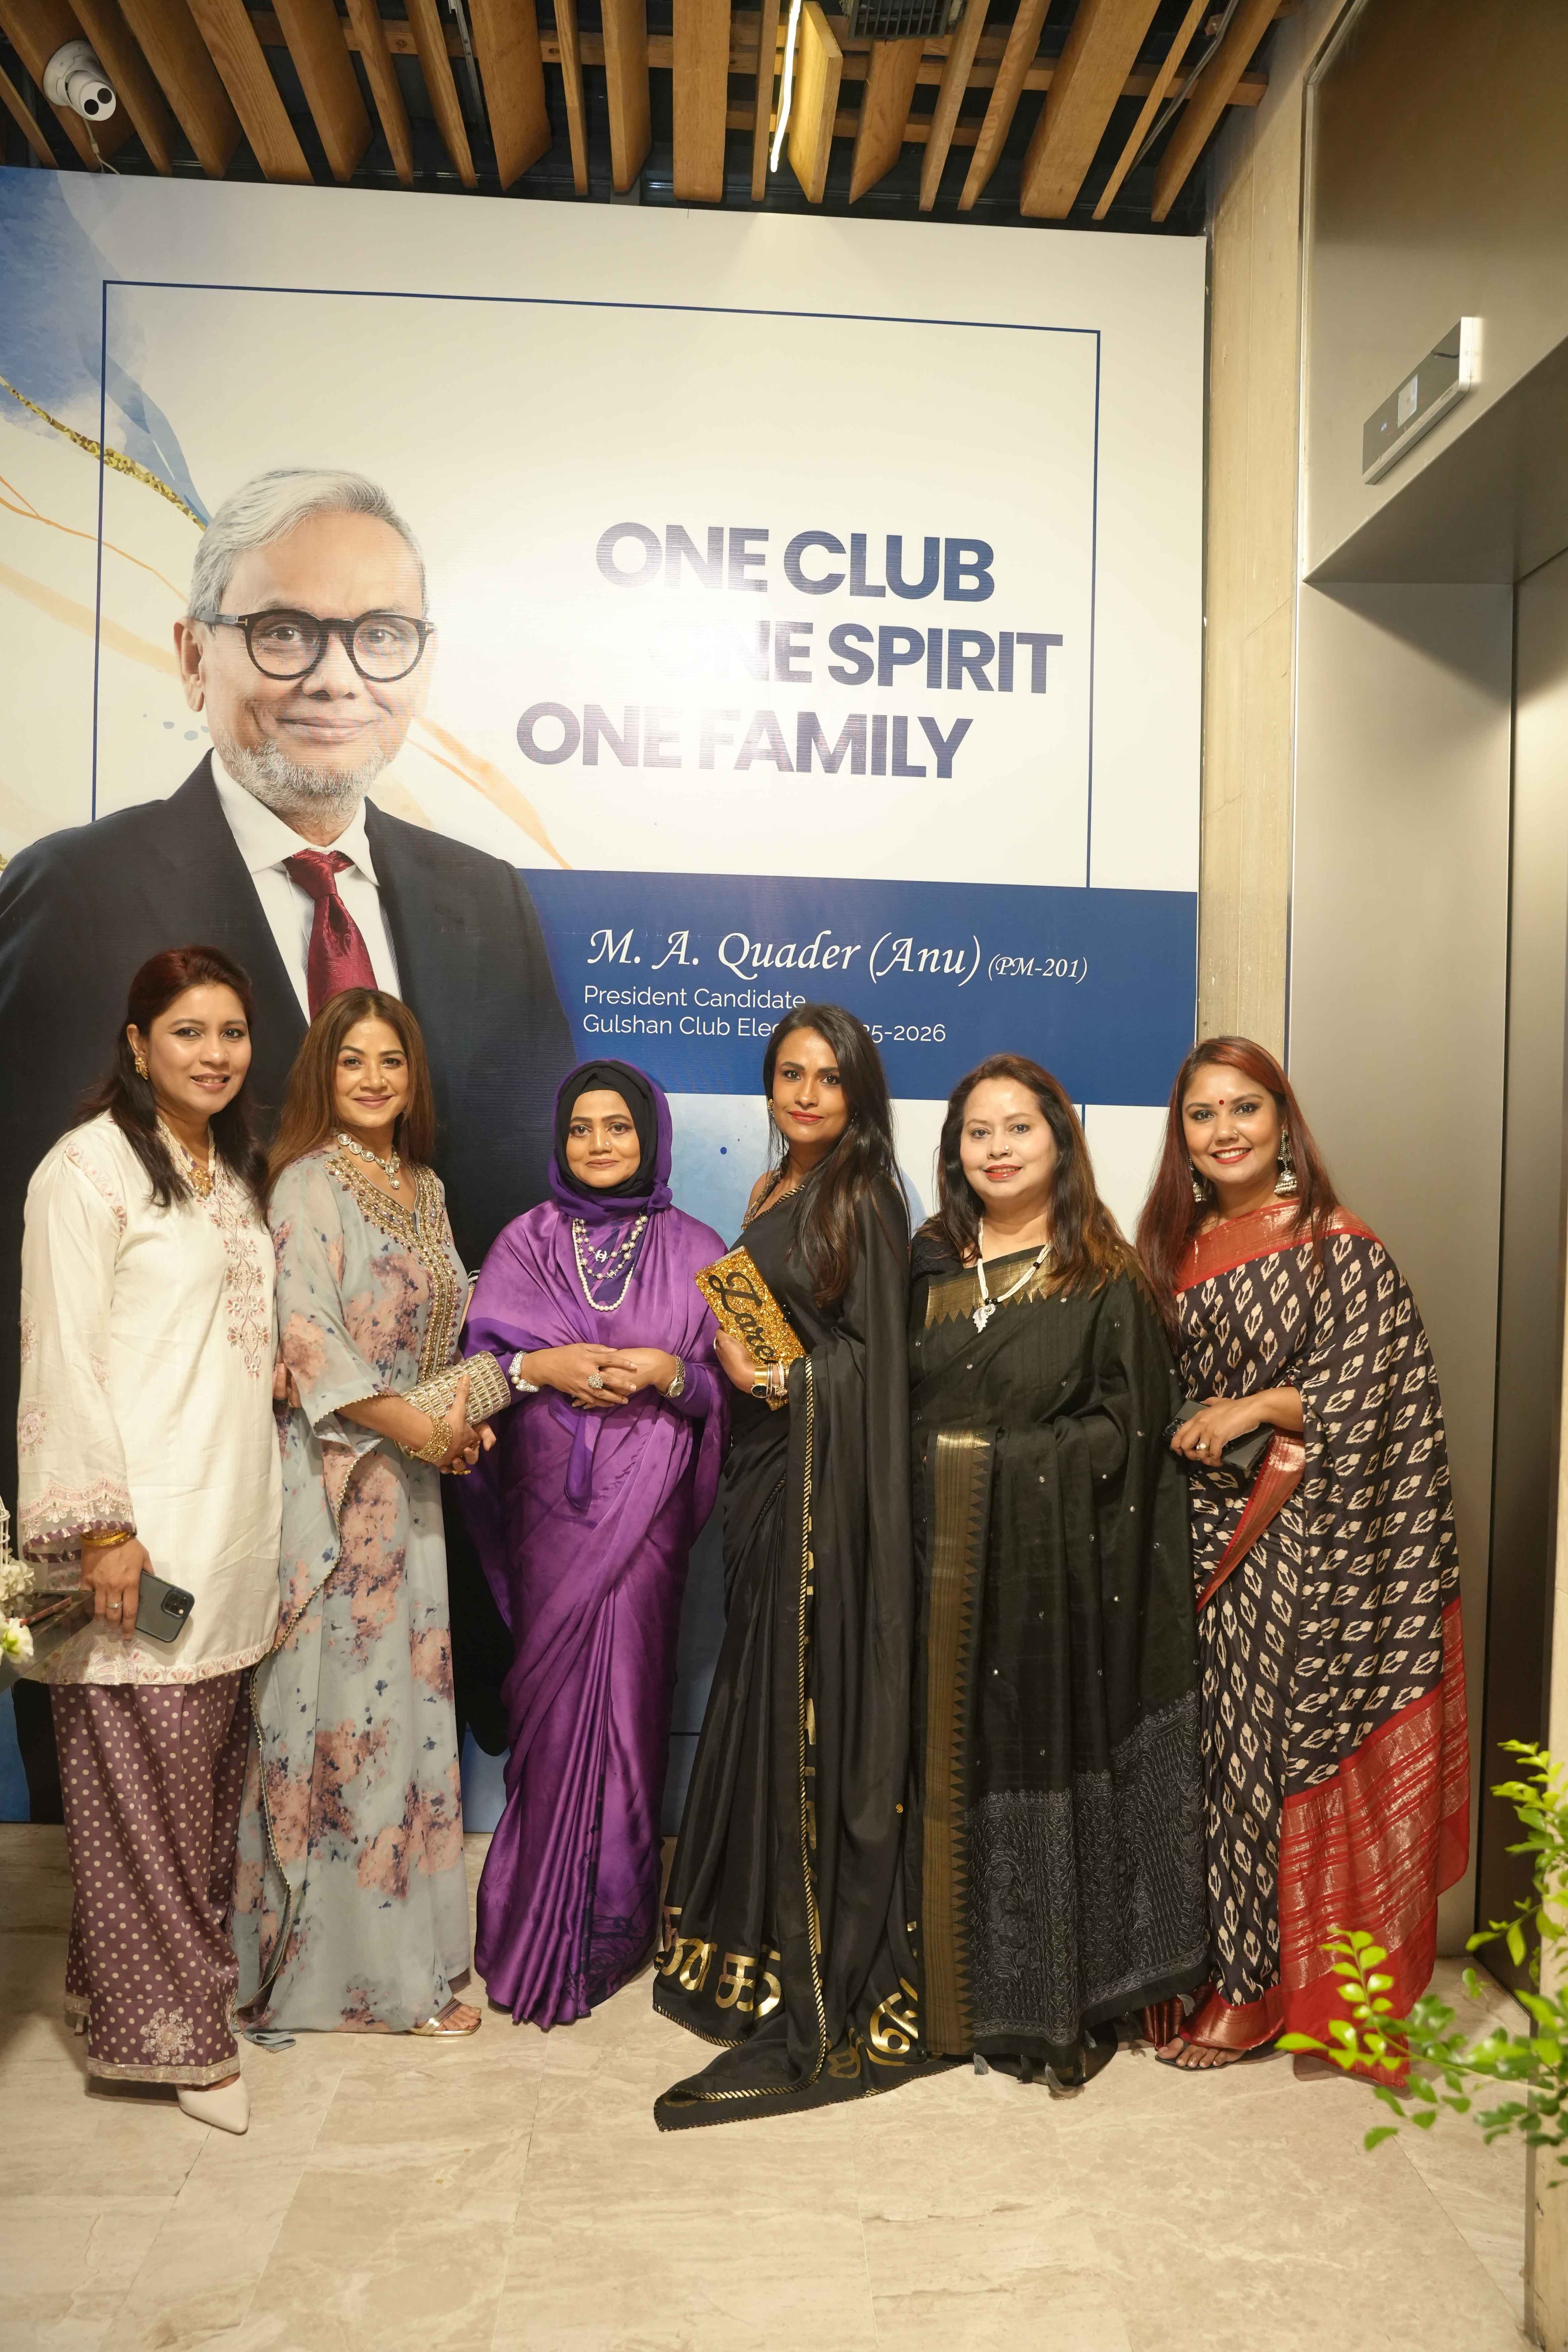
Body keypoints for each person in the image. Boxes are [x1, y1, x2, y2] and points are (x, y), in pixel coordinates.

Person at [0, 466, 574, 1815]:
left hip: (406, 1522)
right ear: (191, 652)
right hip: (174, 1513)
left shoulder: (487, 901)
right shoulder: (73, 892)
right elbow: (28, 1269)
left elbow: (520, 1222)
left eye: (381, 635)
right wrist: (65, 1538)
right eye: (282, 632)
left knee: (369, 1843)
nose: (335, 676)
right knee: (162, 1856)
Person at [1135, 1037, 1470, 2071]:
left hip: (1292, 1542)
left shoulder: (1337, 1243)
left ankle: (1254, 1989)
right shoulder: (1170, 1246)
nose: (1225, 1130)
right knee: (1196, 1760)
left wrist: (1254, 1408)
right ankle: (1194, 1967)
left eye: (1245, 1107)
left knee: (1255, 1760)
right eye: (1203, 1114)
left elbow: (1378, 1381)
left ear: (1283, 1120)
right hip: (1183, 1536)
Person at [653, 1004, 935, 2127]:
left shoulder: (864, 1195)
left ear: (859, 1092)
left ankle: (796, 1946)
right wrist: (749, 1360)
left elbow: (878, 1362)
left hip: (823, 1483)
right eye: (789, 1075)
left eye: (828, 1077)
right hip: (766, 1475)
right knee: (759, 1686)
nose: (806, 1094)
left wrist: (779, 1381)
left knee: (798, 1696)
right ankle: (744, 1934)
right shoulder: (777, 1187)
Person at [16, 946, 281, 2134]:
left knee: (197, 1796)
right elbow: (62, 1360)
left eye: (231, 1032)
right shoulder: (86, 1171)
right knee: (142, 1803)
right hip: (140, 1540)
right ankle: (179, 2040)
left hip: (229, 1533)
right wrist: (104, 1529)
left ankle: (124, 1999)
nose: (214, 1055)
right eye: (187, 1032)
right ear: (136, 1044)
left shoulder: (227, 1172)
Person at [909, 1055, 1206, 2086]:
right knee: (941, 1761)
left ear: (1059, 1141)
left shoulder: (1103, 1277)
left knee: (1038, 1759)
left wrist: (1001, 1463)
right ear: (955, 1151)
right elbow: (873, 1392)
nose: (996, 1149)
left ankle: (1043, 1995)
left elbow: (1133, 1431)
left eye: (1018, 1128)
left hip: (1054, 1584)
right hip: (935, 1573)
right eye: (977, 1132)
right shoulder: (925, 1268)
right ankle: (944, 1992)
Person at [233, 990, 507, 2037]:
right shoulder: (306, 1183)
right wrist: (427, 1429)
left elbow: (443, 1340)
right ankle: (347, 1980)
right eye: (352, 1060)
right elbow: (311, 1347)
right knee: (346, 1725)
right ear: (323, 1073)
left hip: (414, 1491)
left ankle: (407, 1964)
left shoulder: (424, 1187)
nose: (375, 1078)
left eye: (391, 1059)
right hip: (339, 1483)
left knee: (404, 1720)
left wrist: (457, 1427)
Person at [458, 1060, 727, 2027]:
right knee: (555, 1704)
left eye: (619, 1127)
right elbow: (480, 1368)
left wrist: (672, 1375)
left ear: (651, 1138)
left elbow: (748, 1384)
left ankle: (613, 1921)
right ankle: (535, 1913)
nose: (600, 1144)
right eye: (582, 1128)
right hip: (549, 1514)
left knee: (630, 1703)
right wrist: (545, 1364)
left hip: (646, 1521)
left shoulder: (702, 1247)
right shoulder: (524, 1241)